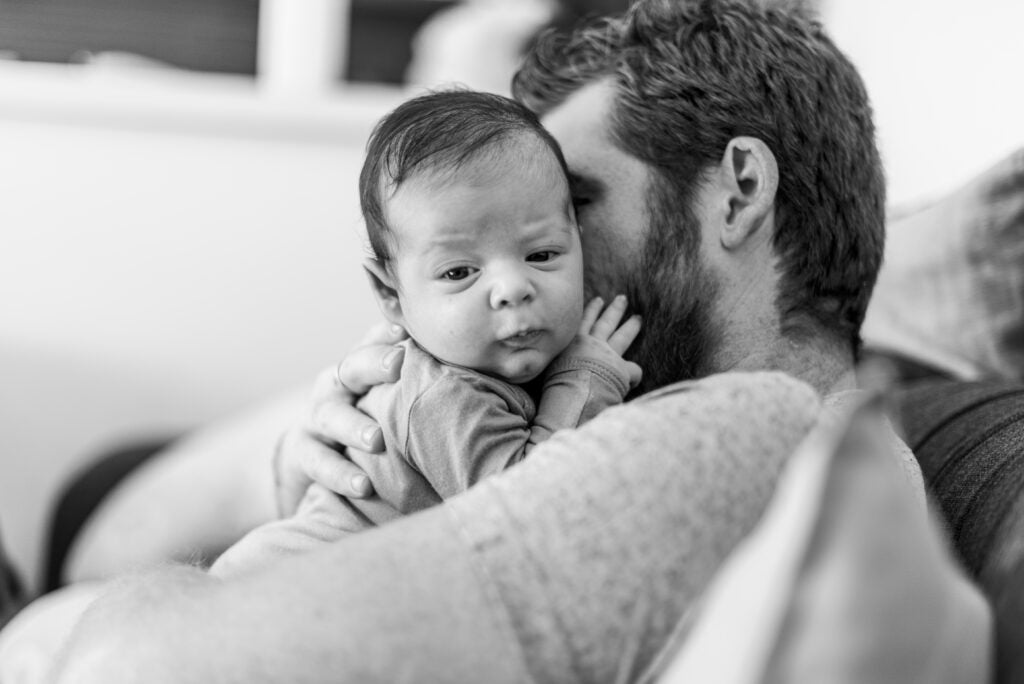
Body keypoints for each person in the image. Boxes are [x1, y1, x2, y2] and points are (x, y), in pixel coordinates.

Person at [24, 0, 941, 680]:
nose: (534, 278)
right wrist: (304, 484)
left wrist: (178, 589)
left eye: (570, 212)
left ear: (738, 189)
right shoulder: (737, 433)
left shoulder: (742, 436)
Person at [210, 90, 640, 576]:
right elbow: (528, 508)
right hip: (278, 590)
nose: (513, 288)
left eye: (541, 254)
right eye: (459, 272)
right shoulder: (443, 396)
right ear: (391, 295)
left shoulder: (476, 368)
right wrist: (588, 377)